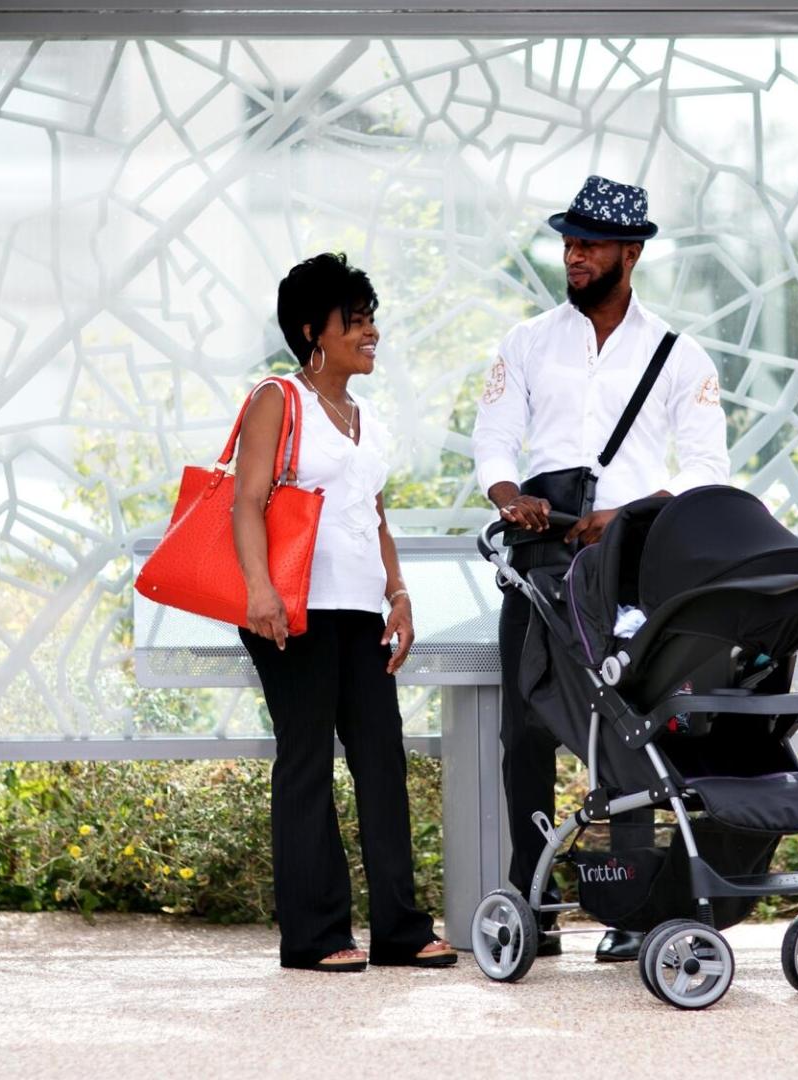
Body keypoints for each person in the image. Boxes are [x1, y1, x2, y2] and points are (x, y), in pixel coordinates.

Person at [472, 176, 729, 961]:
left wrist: (628, 514)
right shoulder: (523, 342)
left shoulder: (680, 356)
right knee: (524, 726)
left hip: (631, 559)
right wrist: (509, 496)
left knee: (628, 725)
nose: (573, 254)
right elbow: (492, 441)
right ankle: (535, 896)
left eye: (589, 243)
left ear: (631, 252)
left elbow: (709, 469)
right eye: (568, 240)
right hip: (540, 548)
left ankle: (631, 904)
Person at [232, 253, 456, 973]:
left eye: (371, 318)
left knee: (382, 762)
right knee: (306, 764)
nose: (371, 332)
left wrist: (398, 593)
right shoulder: (278, 397)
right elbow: (246, 501)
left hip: (360, 610)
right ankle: (315, 934)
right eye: (354, 321)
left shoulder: (365, 417)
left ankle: (400, 927)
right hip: (293, 609)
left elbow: (375, 512)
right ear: (311, 331)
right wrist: (260, 590)